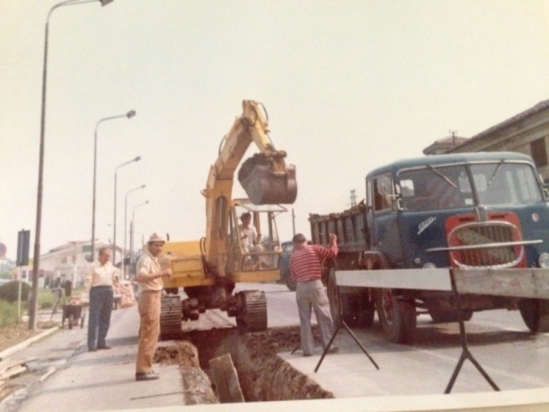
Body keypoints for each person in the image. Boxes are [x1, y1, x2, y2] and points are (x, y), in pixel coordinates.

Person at [289, 232, 338, 357]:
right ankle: (328, 345)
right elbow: (332, 253)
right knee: (323, 315)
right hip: (315, 285)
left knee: (304, 319)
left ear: (295, 244)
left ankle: (308, 350)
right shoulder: (314, 248)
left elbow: (294, 276)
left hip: (301, 287)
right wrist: (334, 243)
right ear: (305, 241)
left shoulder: (293, 256)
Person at [134, 233, 172, 381]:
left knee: (152, 333)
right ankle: (143, 370)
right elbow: (140, 277)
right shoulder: (145, 259)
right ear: (149, 245)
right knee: (148, 333)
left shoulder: (152, 259)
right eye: (156, 245)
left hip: (154, 296)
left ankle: (146, 368)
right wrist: (161, 273)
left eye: (161, 245)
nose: (159, 248)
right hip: (149, 297)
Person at [86, 247, 118, 352]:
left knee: (106, 318)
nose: (107, 259)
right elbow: (88, 281)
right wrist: (87, 294)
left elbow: (114, 276)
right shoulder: (92, 266)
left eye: (109, 257)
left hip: (108, 291)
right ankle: (92, 344)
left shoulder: (110, 266)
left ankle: (101, 342)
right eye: (106, 256)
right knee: (94, 318)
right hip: (96, 291)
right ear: (99, 256)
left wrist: (116, 282)